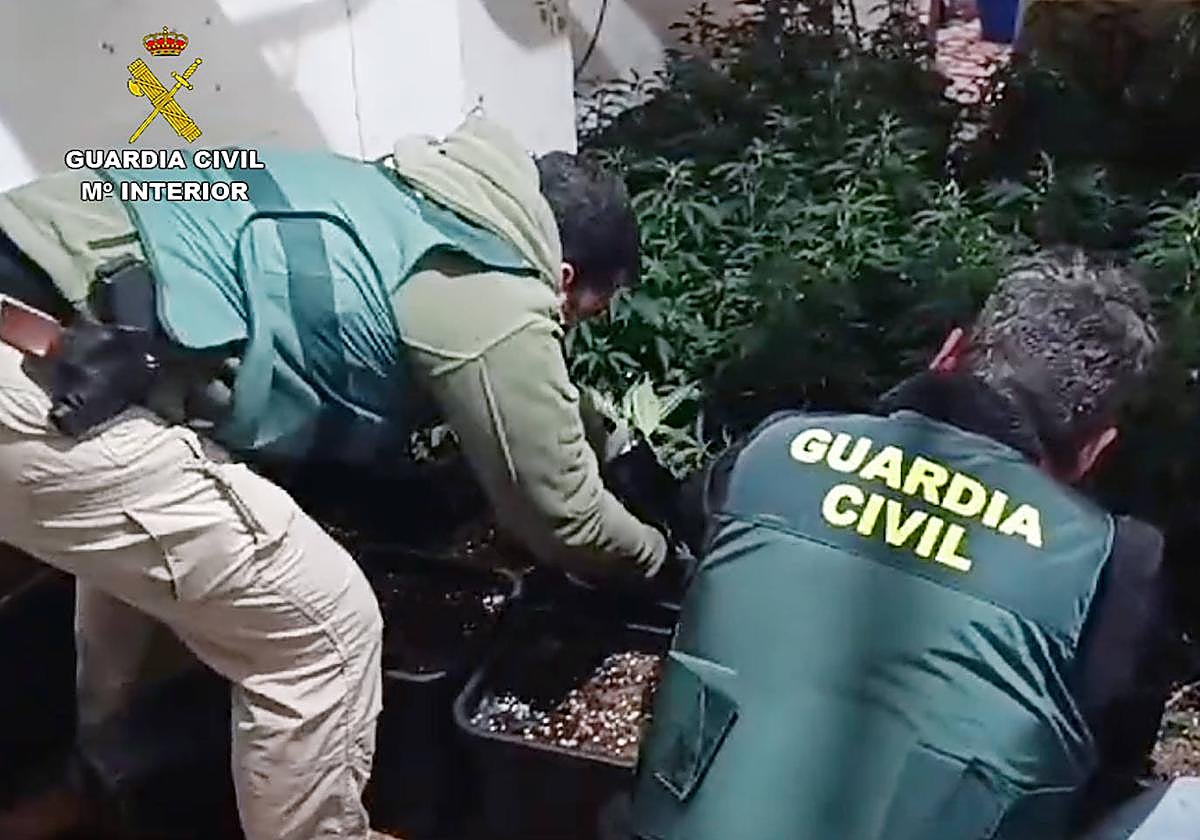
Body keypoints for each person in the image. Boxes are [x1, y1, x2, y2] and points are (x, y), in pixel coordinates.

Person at [0, 115, 673, 840]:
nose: (564, 330)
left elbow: (549, 402)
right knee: (324, 627)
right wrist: (658, 560)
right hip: (42, 365)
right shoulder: (492, 285)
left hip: (59, 326)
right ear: (565, 277)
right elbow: (559, 513)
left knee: (158, 558)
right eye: (577, 316)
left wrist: (614, 443)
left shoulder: (410, 202)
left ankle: (108, 778)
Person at [629, 249, 1182, 840]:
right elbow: (1112, 769)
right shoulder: (1114, 565)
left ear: (948, 354)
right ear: (1097, 449)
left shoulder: (772, 451)